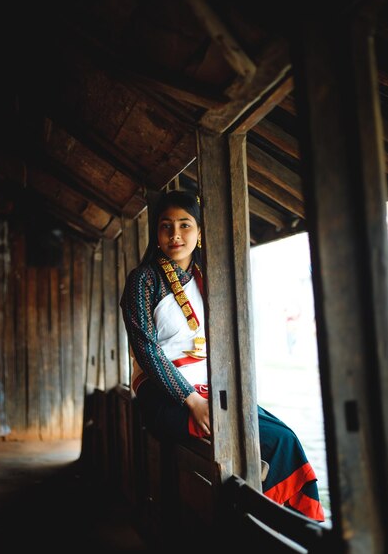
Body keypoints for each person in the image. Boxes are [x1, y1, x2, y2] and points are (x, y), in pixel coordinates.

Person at [120, 189, 325, 522]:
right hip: (164, 394)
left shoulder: (208, 277)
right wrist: (191, 400)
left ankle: (298, 531)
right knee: (265, 442)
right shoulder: (143, 280)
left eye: (185, 225)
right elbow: (146, 349)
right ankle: (263, 530)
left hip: (209, 391)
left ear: (199, 232)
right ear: (156, 233)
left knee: (286, 439)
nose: (175, 235)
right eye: (166, 226)